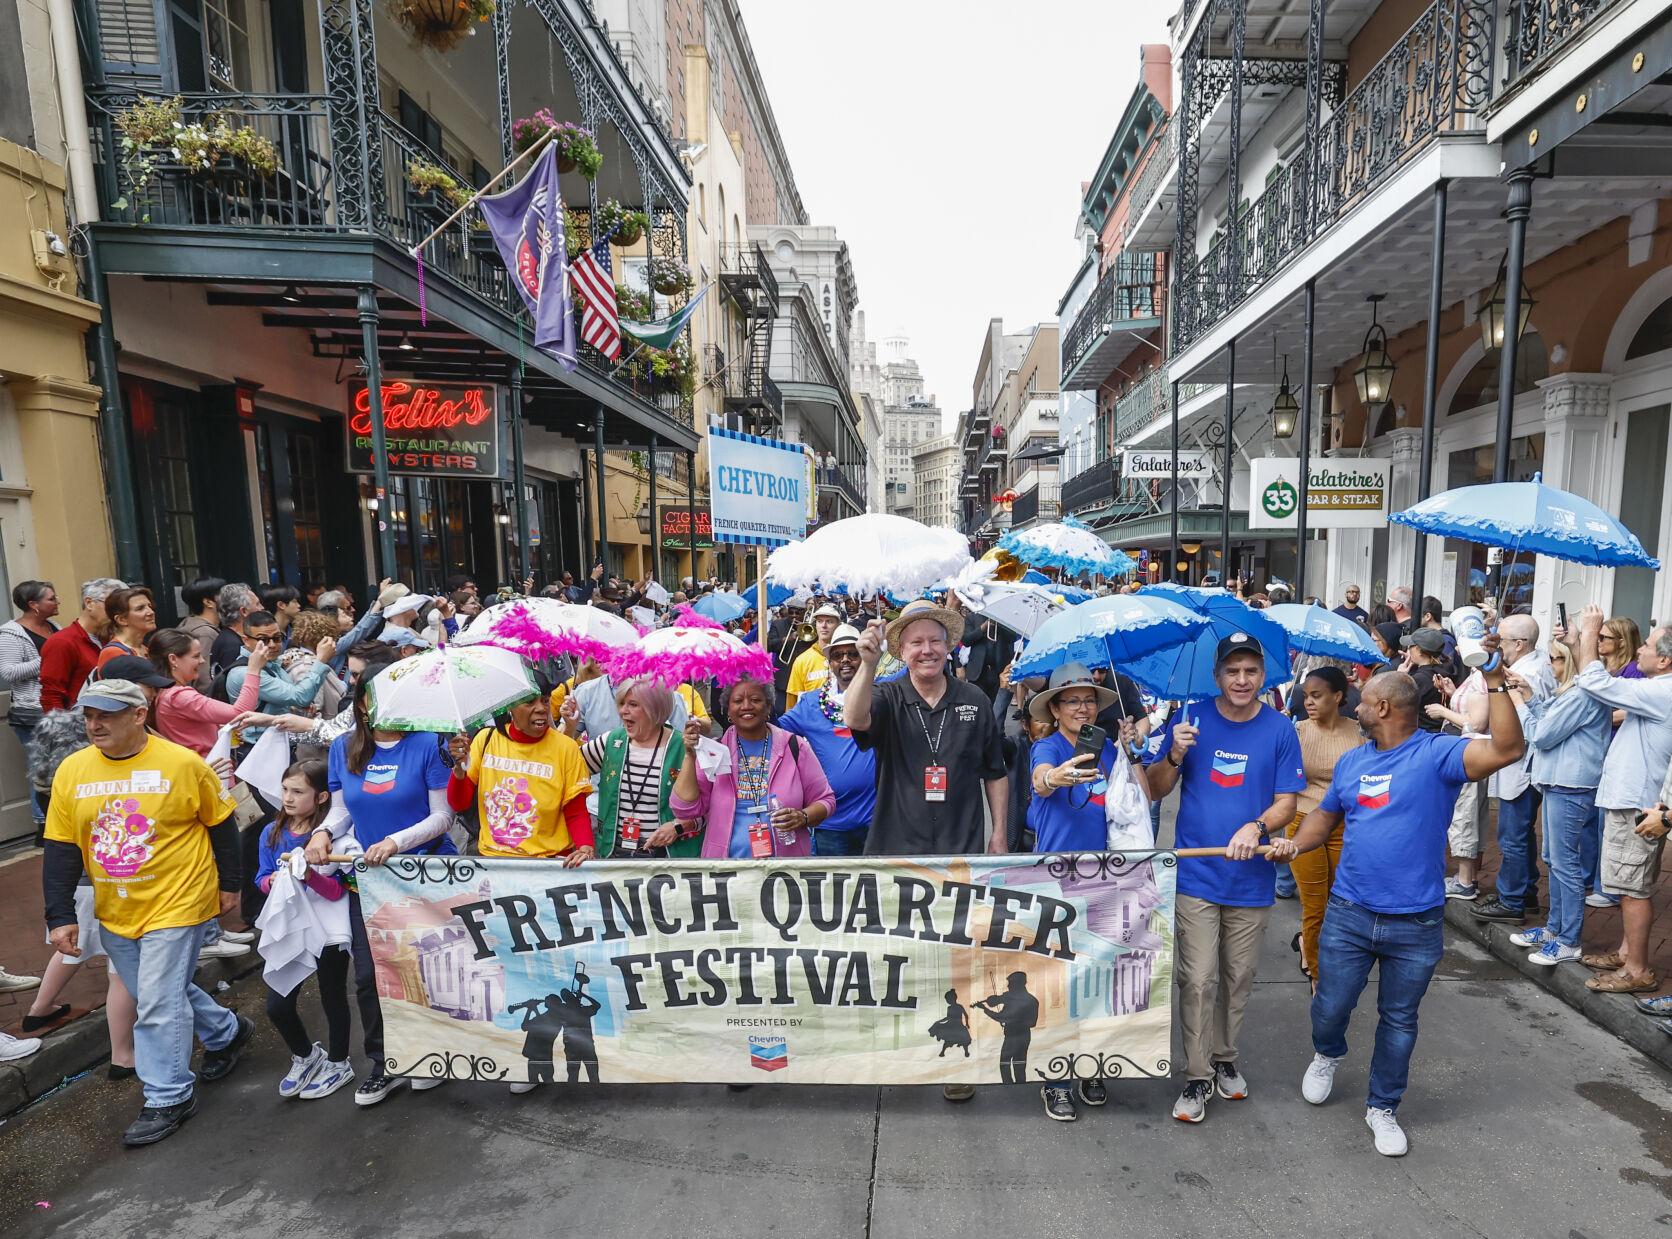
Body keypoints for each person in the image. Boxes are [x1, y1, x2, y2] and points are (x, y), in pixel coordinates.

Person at [1271, 642, 1527, 1157]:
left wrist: (1496, 680)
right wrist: (1295, 843)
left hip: (1416, 923)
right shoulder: (1352, 762)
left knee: (1399, 1019)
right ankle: (1328, 1053)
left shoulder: (1438, 754)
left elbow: (1506, 749)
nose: (1355, 708)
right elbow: (1325, 816)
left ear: (1383, 708)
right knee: (1330, 1004)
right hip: (1349, 913)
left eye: (1361, 702)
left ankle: (1382, 1106)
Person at [41, 678, 251, 1146]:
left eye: (107, 715)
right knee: (163, 992)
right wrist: (59, 914)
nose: (95, 724)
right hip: (115, 906)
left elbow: (222, 825)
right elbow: (59, 847)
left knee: (156, 1001)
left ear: (139, 715)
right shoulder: (73, 770)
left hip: (179, 900)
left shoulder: (181, 763)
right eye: (90, 715)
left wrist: (229, 884)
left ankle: (168, 1095)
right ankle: (228, 1031)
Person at [845, 598, 1008, 1105]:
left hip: (960, 850)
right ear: (902, 649)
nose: (927, 649)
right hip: (897, 849)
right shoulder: (888, 696)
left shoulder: (974, 700)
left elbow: (995, 772)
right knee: (899, 957)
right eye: (915, 642)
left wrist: (999, 834)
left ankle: (955, 1063)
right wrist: (868, 663)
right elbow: (855, 716)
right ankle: (900, 1049)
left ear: (950, 644)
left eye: (935, 639)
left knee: (955, 958)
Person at [1140, 634, 1304, 1125]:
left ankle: (1224, 1057)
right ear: (1217, 676)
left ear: (1263, 676)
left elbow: (1287, 802)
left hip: (1251, 878)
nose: (1241, 680)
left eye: (1250, 671)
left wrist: (1256, 827)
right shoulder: (1191, 720)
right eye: (1232, 671)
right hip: (1196, 873)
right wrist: (1172, 754)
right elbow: (1154, 789)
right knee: (1198, 978)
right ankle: (1195, 1075)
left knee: (1238, 977)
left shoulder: (1280, 729)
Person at [304, 664, 455, 1106]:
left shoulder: (429, 744)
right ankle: (384, 1063)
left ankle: (433, 1055)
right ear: (363, 701)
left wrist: (395, 842)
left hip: (423, 873)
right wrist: (322, 833)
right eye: (377, 694)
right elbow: (341, 810)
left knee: (427, 968)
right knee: (371, 977)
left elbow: (442, 816)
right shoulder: (341, 748)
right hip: (367, 880)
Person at [1025, 662, 1125, 1121]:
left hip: (1105, 877)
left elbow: (1132, 799)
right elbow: (1041, 778)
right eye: (1072, 701)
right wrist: (1055, 777)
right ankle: (1056, 1078)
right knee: (1055, 984)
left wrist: (1134, 752)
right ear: (1056, 709)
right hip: (1056, 879)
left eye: (1088, 700)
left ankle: (1091, 1065)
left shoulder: (1106, 749)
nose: (1082, 708)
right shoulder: (1045, 746)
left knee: (1096, 977)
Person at [1569, 605, 1672, 994]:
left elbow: (1594, 682)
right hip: (1633, 800)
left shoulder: (1662, 690)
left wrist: (1590, 633)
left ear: (1664, 660)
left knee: (1632, 890)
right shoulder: (1657, 689)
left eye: (1646, 646)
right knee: (1631, 884)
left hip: (1637, 805)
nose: (1640, 651)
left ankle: (1637, 970)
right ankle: (1628, 954)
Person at [255, 760, 358, 1101]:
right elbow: (261, 878)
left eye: (298, 791)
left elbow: (338, 891)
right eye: (285, 789)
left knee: (332, 996)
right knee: (277, 1004)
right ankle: (306, 1055)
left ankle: (340, 1061)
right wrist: (274, 881)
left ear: (321, 797)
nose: (288, 797)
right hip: (288, 926)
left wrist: (309, 876)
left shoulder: (336, 839)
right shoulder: (270, 833)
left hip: (327, 928)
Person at [1517, 637, 1610, 966]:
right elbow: (1550, 723)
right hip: (1560, 782)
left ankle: (1568, 939)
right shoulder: (1572, 693)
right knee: (1554, 858)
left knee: (1564, 862)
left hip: (1570, 784)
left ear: (1570, 662)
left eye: (1556, 658)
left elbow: (1542, 734)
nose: (1549, 664)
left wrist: (1519, 706)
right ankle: (1556, 929)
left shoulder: (1581, 694)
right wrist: (1529, 698)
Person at [672, 675, 834, 860]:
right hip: (727, 872)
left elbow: (826, 800)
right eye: (738, 701)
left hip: (785, 871)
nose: (747, 706)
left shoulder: (794, 746)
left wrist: (802, 817)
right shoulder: (714, 753)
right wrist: (689, 755)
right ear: (728, 711)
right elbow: (685, 810)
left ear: (768, 707)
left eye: (755, 700)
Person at [1472, 614, 1556, 924]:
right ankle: (1525, 892)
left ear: (1519, 644)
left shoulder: (1527, 673)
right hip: (1522, 764)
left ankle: (1512, 900)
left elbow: (1521, 724)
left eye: (1503, 640)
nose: (1498, 645)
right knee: (1519, 833)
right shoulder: (1530, 664)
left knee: (1513, 836)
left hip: (1522, 765)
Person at [567, 677, 701, 860]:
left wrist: (678, 827)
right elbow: (566, 769)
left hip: (666, 858)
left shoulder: (682, 747)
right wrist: (569, 727)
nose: (623, 711)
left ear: (654, 708)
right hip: (614, 854)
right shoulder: (612, 741)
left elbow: (708, 813)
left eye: (633, 705)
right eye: (622, 703)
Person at [778, 624, 877, 857]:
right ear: (829, 662)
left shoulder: (883, 693)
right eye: (838, 655)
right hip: (830, 824)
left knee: (877, 892)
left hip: (877, 822)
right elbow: (771, 730)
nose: (846, 660)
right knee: (833, 891)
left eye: (853, 654)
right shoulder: (811, 703)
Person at [1289, 667, 1361, 987]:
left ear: (1338, 697)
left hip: (1346, 823)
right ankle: (1319, 975)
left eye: (1316, 696)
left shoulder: (1360, 732)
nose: (1309, 702)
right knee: (1314, 902)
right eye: (1306, 696)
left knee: (1340, 900)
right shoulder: (1296, 731)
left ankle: (1310, 944)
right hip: (1303, 821)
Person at [145, 631, 265, 756]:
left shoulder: (166, 693)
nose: (202, 661)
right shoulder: (179, 696)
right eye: (196, 656)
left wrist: (219, 729)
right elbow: (241, 712)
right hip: (206, 768)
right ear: (173, 659)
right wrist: (254, 669)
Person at [1426, 668, 1490, 900]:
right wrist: (1452, 693)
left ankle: (1464, 881)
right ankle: (1468, 877)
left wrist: (1442, 710)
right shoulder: (1477, 674)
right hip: (1465, 752)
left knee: (1464, 813)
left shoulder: (1483, 677)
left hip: (1467, 753)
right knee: (1466, 812)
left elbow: (1477, 723)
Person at [1, 580, 60, 829]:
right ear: (33, 605)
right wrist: (46, 658)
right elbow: (8, 672)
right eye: (51, 598)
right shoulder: (11, 634)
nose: (57, 602)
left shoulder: (55, 627)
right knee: (41, 767)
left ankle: (60, 820)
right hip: (30, 711)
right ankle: (43, 825)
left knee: (61, 765)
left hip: (57, 707)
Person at [39, 577, 124, 712]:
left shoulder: (111, 638)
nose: (118, 612)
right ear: (89, 603)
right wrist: (63, 731)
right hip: (79, 724)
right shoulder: (62, 642)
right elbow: (51, 695)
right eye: (112, 606)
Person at [785, 603, 842, 711]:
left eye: (829, 621)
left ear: (838, 625)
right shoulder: (802, 660)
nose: (823, 626)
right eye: (820, 621)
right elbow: (792, 702)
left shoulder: (847, 657)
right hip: (811, 724)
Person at [177, 577, 228, 692]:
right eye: (224, 595)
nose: (229, 599)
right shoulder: (205, 633)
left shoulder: (189, 623)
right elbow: (205, 680)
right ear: (208, 602)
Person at [94, 586, 158, 668]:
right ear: (122, 620)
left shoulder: (144, 649)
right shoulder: (113, 653)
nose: (151, 612)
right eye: (140, 608)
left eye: (149, 606)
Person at [1398, 629, 1448, 732]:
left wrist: (1398, 677)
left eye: (1410, 646)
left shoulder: (1420, 679)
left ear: (1418, 650)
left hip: (1424, 734)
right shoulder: (1446, 670)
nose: (1408, 649)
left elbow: (1398, 705)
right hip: (1441, 731)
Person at [209, 583, 259, 677]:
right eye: (257, 604)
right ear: (243, 611)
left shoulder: (226, 638)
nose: (262, 608)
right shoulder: (233, 647)